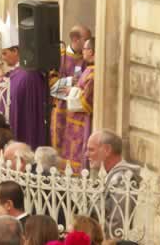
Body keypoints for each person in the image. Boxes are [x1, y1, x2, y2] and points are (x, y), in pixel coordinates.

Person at [0, 15, 48, 150]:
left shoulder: (28, 74)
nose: (2, 57)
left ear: (15, 51)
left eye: (5, 53)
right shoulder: (17, 72)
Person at [85, 130, 140, 237]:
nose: (87, 155)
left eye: (91, 150)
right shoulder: (110, 175)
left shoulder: (123, 177)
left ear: (107, 150)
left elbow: (117, 225)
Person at [50, 24, 91, 153]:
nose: (88, 44)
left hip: (80, 109)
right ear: (75, 39)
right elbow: (49, 83)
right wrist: (68, 82)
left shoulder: (89, 59)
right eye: (86, 40)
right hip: (61, 107)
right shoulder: (59, 57)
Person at [61, 37, 96, 172]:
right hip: (75, 119)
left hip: (82, 120)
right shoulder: (89, 69)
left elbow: (86, 100)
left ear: (91, 51)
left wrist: (72, 90)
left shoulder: (93, 72)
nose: (83, 52)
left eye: (85, 49)